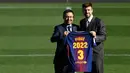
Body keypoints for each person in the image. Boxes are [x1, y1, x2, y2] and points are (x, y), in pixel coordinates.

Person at [80, 2, 107, 73]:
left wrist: (95, 37)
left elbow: (103, 36)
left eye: (88, 10)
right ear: (83, 11)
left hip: (96, 52)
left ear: (92, 10)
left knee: (98, 70)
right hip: (86, 52)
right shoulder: (82, 22)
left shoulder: (99, 21)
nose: (87, 12)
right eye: (85, 10)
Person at [50, 9, 79, 73]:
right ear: (63, 17)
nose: (69, 19)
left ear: (73, 18)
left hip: (73, 60)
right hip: (61, 61)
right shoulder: (59, 28)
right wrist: (62, 35)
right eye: (67, 17)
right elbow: (52, 39)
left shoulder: (77, 28)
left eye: (71, 17)